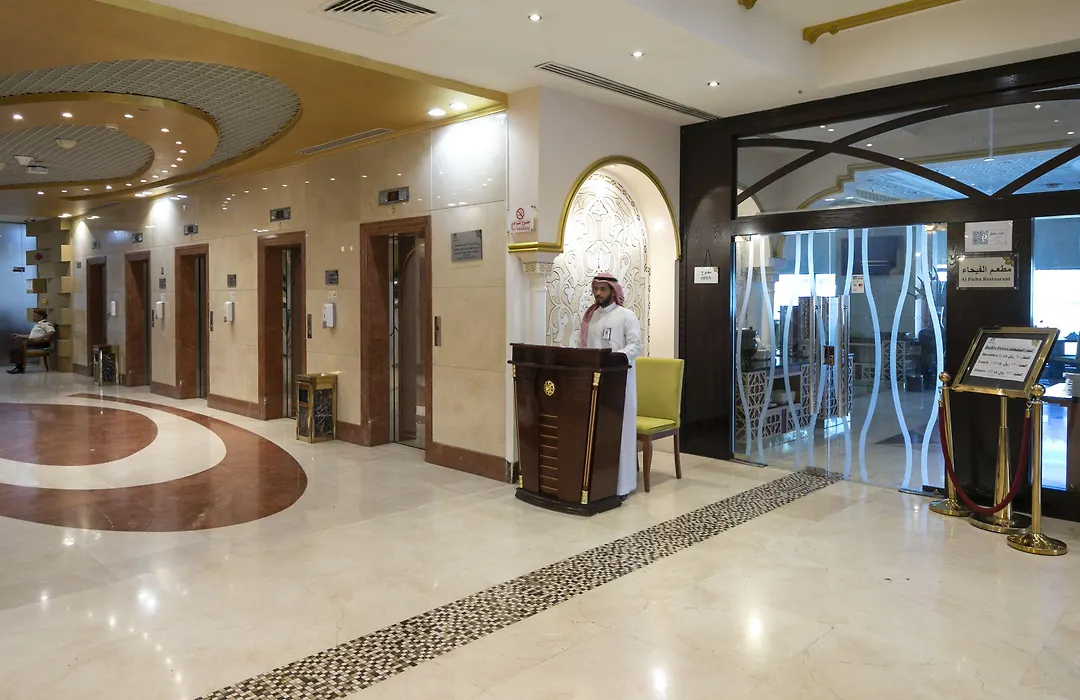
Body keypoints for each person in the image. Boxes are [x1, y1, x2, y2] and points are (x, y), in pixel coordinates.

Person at [572, 272, 643, 499]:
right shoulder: (590, 317)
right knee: (598, 432)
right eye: (595, 289)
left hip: (619, 382)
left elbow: (635, 346)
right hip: (594, 383)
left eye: (603, 289)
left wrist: (613, 360)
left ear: (613, 291)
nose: (598, 293)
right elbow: (583, 346)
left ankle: (622, 486)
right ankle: (598, 483)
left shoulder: (626, 316)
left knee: (618, 433)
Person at [8, 309, 55, 374]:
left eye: (35, 315)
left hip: (40, 344)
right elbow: (31, 336)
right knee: (15, 348)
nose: (34, 317)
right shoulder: (37, 324)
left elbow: (52, 332)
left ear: (41, 316)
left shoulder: (45, 323)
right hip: (33, 342)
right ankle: (18, 366)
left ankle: (19, 368)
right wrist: (19, 335)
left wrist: (40, 338)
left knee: (19, 348)